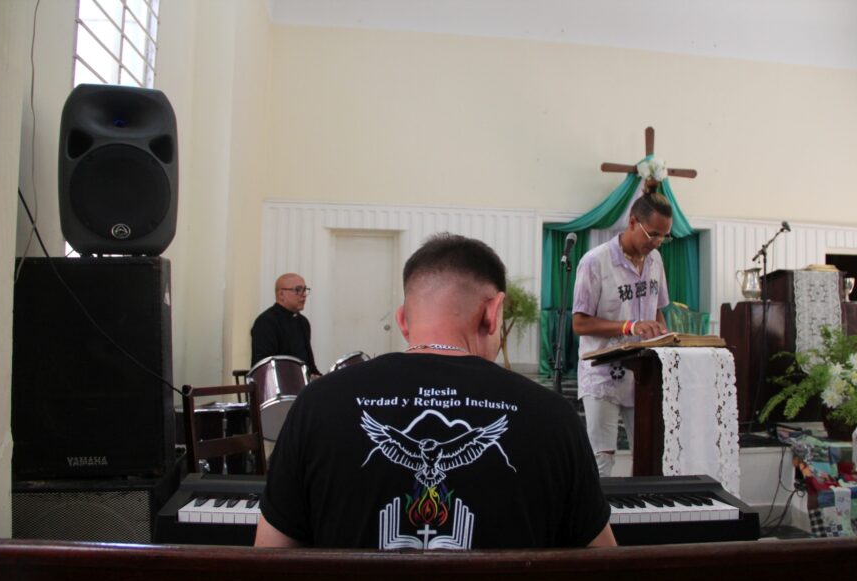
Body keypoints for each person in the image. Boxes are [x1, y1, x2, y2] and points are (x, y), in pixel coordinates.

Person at [255, 233, 615, 549]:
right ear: (493, 312)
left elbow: (269, 558)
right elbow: (603, 567)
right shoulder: (552, 415)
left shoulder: (317, 404)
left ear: (403, 320)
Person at [572, 191, 672, 477]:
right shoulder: (595, 262)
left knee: (649, 453)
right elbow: (580, 323)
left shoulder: (656, 261)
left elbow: (656, 310)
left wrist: (663, 336)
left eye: (663, 237)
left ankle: (643, 515)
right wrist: (629, 326)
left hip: (641, 374)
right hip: (602, 374)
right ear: (632, 222)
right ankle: (604, 521)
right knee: (602, 460)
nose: (656, 243)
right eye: (652, 234)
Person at [250, 273, 321, 376]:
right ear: (281, 294)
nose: (304, 294)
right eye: (298, 290)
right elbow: (264, 367)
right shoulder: (266, 322)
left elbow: (309, 365)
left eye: (304, 289)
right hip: (278, 386)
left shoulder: (303, 322)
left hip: (302, 384)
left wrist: (319, 378)